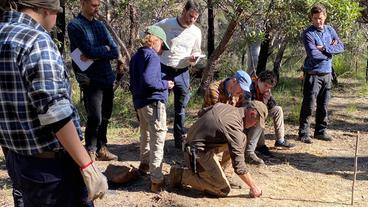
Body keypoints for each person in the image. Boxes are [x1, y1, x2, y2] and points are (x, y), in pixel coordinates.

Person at [0, 0, 108, 206]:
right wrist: (87, 165)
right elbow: (54, 110)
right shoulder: (35, 39)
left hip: (18, 159)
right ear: (46, 10)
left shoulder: (3, 33)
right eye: (57, 13)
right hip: (51, 168)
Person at [169, 101, 267, 197]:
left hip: (191, 142)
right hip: (195, 153)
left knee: (242, 139)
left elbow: (201, 112)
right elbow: (239, 167)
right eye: (256, 121)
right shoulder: (234, 127)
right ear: (252, 113)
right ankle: (181, 175)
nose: (255, 125)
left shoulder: (224, 106)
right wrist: (254, 187)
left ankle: (224, 173)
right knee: (222, 189)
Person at [68, 0, 119, 160]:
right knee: (95, 116)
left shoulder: (100, 26)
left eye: (98, 5)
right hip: (90, 78)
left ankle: (102, 147)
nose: (96, 8)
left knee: (106, 115)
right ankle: (90, 149)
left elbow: (115, 50)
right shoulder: (75, 25)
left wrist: (97, 53)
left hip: (106, 76)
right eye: (93, 5)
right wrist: (103, 50)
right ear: (83, 3)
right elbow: (86, 50)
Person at [129, 25, 174, 193]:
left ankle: (145, 165)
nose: (162, 50)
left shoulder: (136, 56)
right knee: (158, 138)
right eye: (162, 45)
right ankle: (157, 180)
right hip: (153, 103)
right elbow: (149, 81)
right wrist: (166, 84)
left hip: (140, 103)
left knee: (145, 135)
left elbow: (134, 83)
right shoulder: (152, 56)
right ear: (156, 41)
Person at [155, 0, 202, 149]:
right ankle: (157, 139)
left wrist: (195, 57)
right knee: (159, 104)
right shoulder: (167, 23)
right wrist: (157, 48)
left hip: (183, 71)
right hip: (164, 68)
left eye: (195, 18)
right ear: (184, 11)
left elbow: (197, 50)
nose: (191, 20)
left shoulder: (196, 31)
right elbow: (150, 33)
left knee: (181, 108)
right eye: (190, 16)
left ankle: (178, 140)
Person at [298, 4, 344, 144]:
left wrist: (324, 48)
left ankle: (320, 131)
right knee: (309, 105)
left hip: (327, 73)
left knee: (324, 105)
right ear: (311, 18)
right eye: (316, 18)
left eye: (321, 18)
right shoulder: (308, 33)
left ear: (325, 16)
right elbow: (313, 54)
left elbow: (341, 47)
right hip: (313, 74)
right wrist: (330, 52)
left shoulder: (330, 30)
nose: (319, 21)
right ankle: (304, 133)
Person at [245, 70, 296, 165]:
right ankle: (260, 146)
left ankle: (280, 140)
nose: (266, 89)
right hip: (250, 115)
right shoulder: (249, 87)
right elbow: (250, 108)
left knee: (278, 109)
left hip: (260, 112)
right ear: (259, 80)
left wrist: (268, 98)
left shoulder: (266, 90)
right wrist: (264, 101)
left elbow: (272, 105)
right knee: (259, 115)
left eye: (269, 87)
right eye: (265, 86)